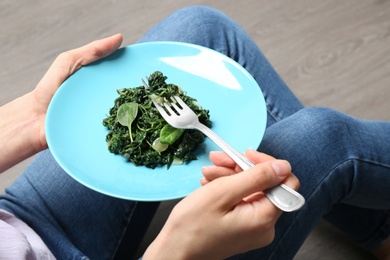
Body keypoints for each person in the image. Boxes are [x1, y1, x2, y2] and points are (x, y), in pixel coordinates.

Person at [1, 5, 389, 259]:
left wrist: (27, 119)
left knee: (203, 28)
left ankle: (378, 227)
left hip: (17, 226)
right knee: (324, 137)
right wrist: (175, 252)